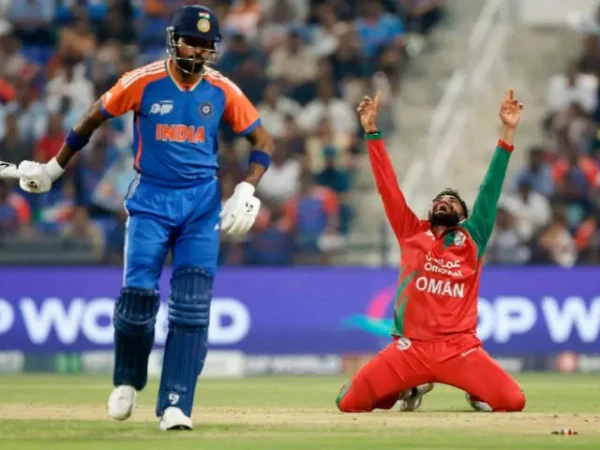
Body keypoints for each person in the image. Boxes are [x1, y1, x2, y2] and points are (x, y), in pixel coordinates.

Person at [15, 5, 274, 430]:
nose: (199, 51)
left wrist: (247, 188)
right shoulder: (143, 80)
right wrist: (53, 169)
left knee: (192, 307)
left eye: (207, 44)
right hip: (151, 201)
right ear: (174, 41)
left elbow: (263, 140)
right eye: (192, 42)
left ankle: (176, 404)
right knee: (137, 300)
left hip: (200, 207)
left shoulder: (222, 89)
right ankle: (127, 380)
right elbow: (91, 119)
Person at [336, 89, 526, 414]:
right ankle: (411, 386)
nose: (443, 202)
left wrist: (507, 132)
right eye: (439, 200)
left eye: (451, 201)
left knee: (513, 401)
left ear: (463, 215)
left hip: (460, 349)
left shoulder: (473, 236)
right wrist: (371, 132)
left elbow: (490, 189)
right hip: (410, 348)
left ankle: (473, 389)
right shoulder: (411, 231)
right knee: (349, 404)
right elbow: (388, 188)